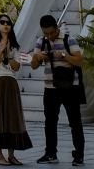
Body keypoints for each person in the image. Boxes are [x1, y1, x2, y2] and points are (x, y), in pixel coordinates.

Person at [30, 12, 84, 166]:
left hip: (70, 87)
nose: (50, 36)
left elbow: (79, 61)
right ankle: (50, 153)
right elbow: (33, 66)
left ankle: (79, 154)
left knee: (75, 122)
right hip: (50, 88)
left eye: (52, 32)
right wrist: (39, 57)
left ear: (57, 27)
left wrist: (63, 55)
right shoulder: (41, 41)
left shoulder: (69, 39)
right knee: (50, 122)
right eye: (46, 33)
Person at [0, 14, 32, 166]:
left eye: (8, 23)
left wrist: (9, 54)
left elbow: (16, 67)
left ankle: (11, 155)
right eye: (2, 22)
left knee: (12, 118)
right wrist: (1, 49)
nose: (5, 25)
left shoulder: (15, 45)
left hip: (10, 83)